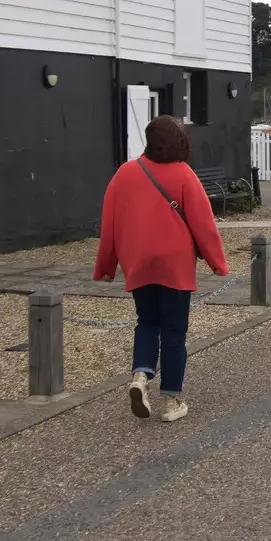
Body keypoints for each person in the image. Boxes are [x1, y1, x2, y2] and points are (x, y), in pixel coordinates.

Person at [93, 116, 228, 422]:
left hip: (138, 261)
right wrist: (217, 262)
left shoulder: (125, 173)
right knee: (174, 331)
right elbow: (202, 224)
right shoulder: (183, 174)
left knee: (147, 321)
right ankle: (170, 401)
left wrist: (106, 266)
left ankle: (140, 376)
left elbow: (109, 225)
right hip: (175, 263)